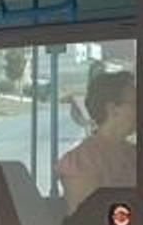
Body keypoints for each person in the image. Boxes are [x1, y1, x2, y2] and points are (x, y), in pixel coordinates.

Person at [56, 69, 137, 214]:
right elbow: (87, 223)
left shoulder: (136, 153)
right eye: (135, 102)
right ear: (113, 109)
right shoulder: (80, 162)